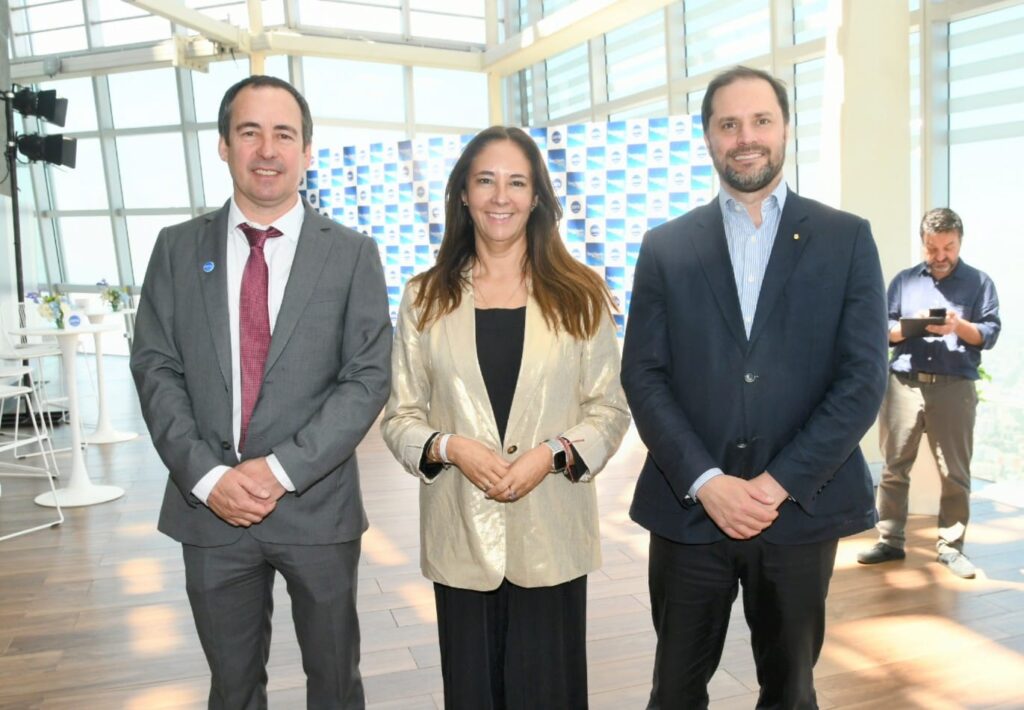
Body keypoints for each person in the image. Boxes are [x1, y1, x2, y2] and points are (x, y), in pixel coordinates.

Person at [621, 66, 889, 709]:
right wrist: (707, 481)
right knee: (674, 692)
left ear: (786, 128)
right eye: (729, 124)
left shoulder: (846, 238)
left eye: (761, 120)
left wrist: (777, 484)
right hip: (690, 508)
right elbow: (643, 374)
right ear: (708, 138)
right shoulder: (665, 246)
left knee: (791, 691)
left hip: (797, 510)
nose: (746, 137)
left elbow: (863, 377)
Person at [130, 75, 392, 709]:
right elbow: (156, 367)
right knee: (233, 688)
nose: (267, 150)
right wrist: (207, 476)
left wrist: (278, 470)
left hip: (316, 506)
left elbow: (367, 378)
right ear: (224, 145)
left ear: (307, 150)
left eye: (284, 134)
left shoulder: (352, 254)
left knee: (335, 684)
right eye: (250, 132)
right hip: (209, 509)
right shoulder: (176, 249)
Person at [380, 125, 630, 709]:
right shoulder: (424, 297)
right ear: (463, 194)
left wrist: (550, 455)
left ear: (537, 196)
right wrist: (451, 448)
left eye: (517, 182)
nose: (500, 196)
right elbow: (400, 416)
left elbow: (609, 409)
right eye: (485, 180)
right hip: (461, 536)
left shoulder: (581, 293)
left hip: (553, 535)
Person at [857, 208, 1000, 579]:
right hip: (903, 384)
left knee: (955, 473)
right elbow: (882, 330)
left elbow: (988, 334)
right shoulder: (904, 282)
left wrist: (957, 325)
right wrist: (914, 325)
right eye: (932, 248)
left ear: (960, 242)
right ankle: (890, 540)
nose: (940, 256)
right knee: (894, 467)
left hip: (955, 388)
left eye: (948, 247)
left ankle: (951, 548)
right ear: (922, 243)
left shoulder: (979, 283)